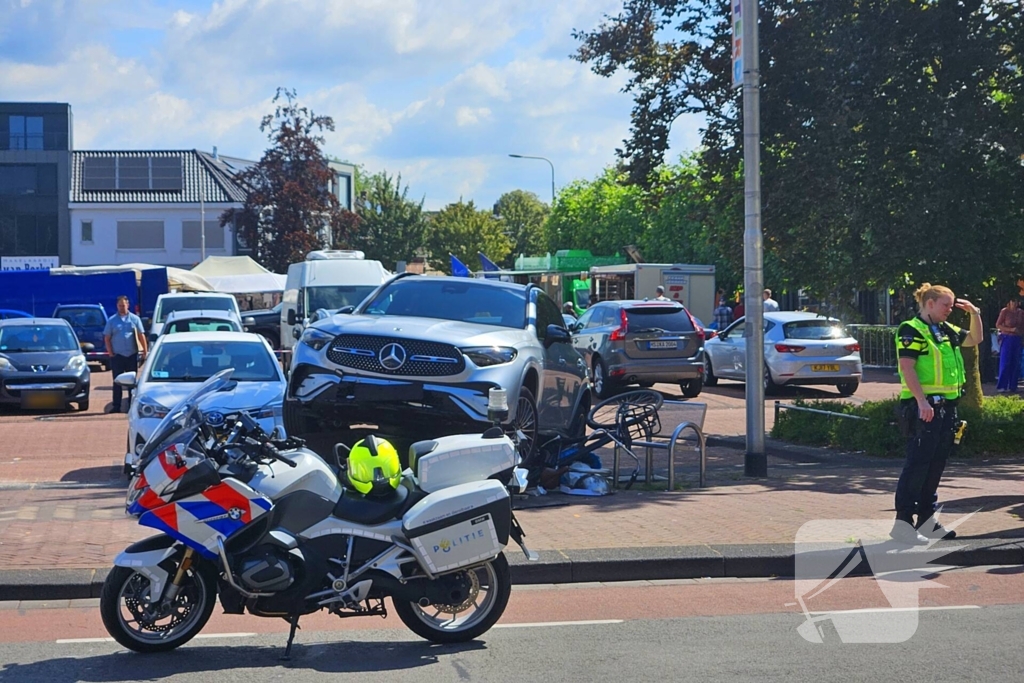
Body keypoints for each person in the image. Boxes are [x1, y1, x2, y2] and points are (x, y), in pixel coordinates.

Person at [892, 283, 982, 544]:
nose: (950, 310)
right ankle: (903, 525)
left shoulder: (944, 330)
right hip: (925, 408)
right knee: (917, 466)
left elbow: (975, 339)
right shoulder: (912, 329)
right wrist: (921, 401)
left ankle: (927, 522)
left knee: (935, 466)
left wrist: (975, 313)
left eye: (952, 306)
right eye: (946, 305)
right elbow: (907, 367)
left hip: (947, 408)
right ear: (929, 303)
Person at [103, 295, 148, 413]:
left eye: (124, 305)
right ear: (117, 306)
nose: (122, 308)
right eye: (119, 305)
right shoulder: (112, 321)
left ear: (128, 305)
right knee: (117, 381)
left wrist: (144, 351)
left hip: (131, 355)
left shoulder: (135, 319)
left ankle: (130, 406)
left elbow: (141, 335)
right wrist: (110, 352)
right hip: (117, 356)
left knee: (131, 383)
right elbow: (107, 337)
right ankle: (116, 406)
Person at [995, 298, 1024, 393]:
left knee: (1016, 362)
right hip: (1007, 338)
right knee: (1005, 362)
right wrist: (1010, 330)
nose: (1015, 303)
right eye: (1013, 301)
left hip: (1017, 339)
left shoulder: (1021, 313)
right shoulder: (1005, 311)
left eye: (1016, 301)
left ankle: (1013, 386)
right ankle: (1002, 385)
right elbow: (998, 325)